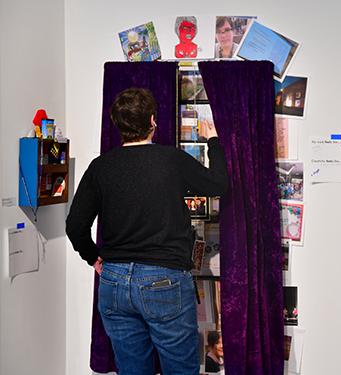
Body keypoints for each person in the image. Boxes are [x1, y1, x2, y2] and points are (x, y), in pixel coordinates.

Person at [66, 87, 228, 375]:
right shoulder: (172, 160)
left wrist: (93, 258)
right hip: (164, 280)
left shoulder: (100, 167)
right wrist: (213, 140)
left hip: (113, 282)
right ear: (153, 121)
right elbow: (218, 185)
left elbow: (75, 226)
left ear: (118, 126)